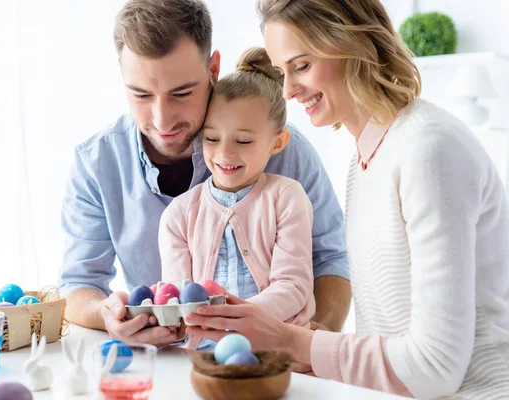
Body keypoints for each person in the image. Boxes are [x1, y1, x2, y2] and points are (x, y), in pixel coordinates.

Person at [185, 0, 509, 398]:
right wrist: (314, 348)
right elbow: (394, 335)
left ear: (353, 45)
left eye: (301, 66)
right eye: (282, 71)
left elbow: (437, 366)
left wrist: (292, 340)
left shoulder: (428, 148)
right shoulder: (367, 155)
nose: (288, 90)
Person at [57, 0, 351, 348]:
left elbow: (330, 258)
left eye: (181, 93)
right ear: (122, 72)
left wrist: (314, 344)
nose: (162, 120)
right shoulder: (97, 162)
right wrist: (108, 315)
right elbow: (77, 284)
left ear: (214, 69)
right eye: (141, 94)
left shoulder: (281, 147)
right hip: (172, 364)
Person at [159, 47, 315, 349]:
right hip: (201, 355)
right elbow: (178, 298)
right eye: (212, 139)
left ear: (277, 143)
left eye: (243, 140)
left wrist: (234, 318)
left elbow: (293, 287)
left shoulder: (286, 198)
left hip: (279, 351)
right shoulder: (178, 215)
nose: (225, 153)